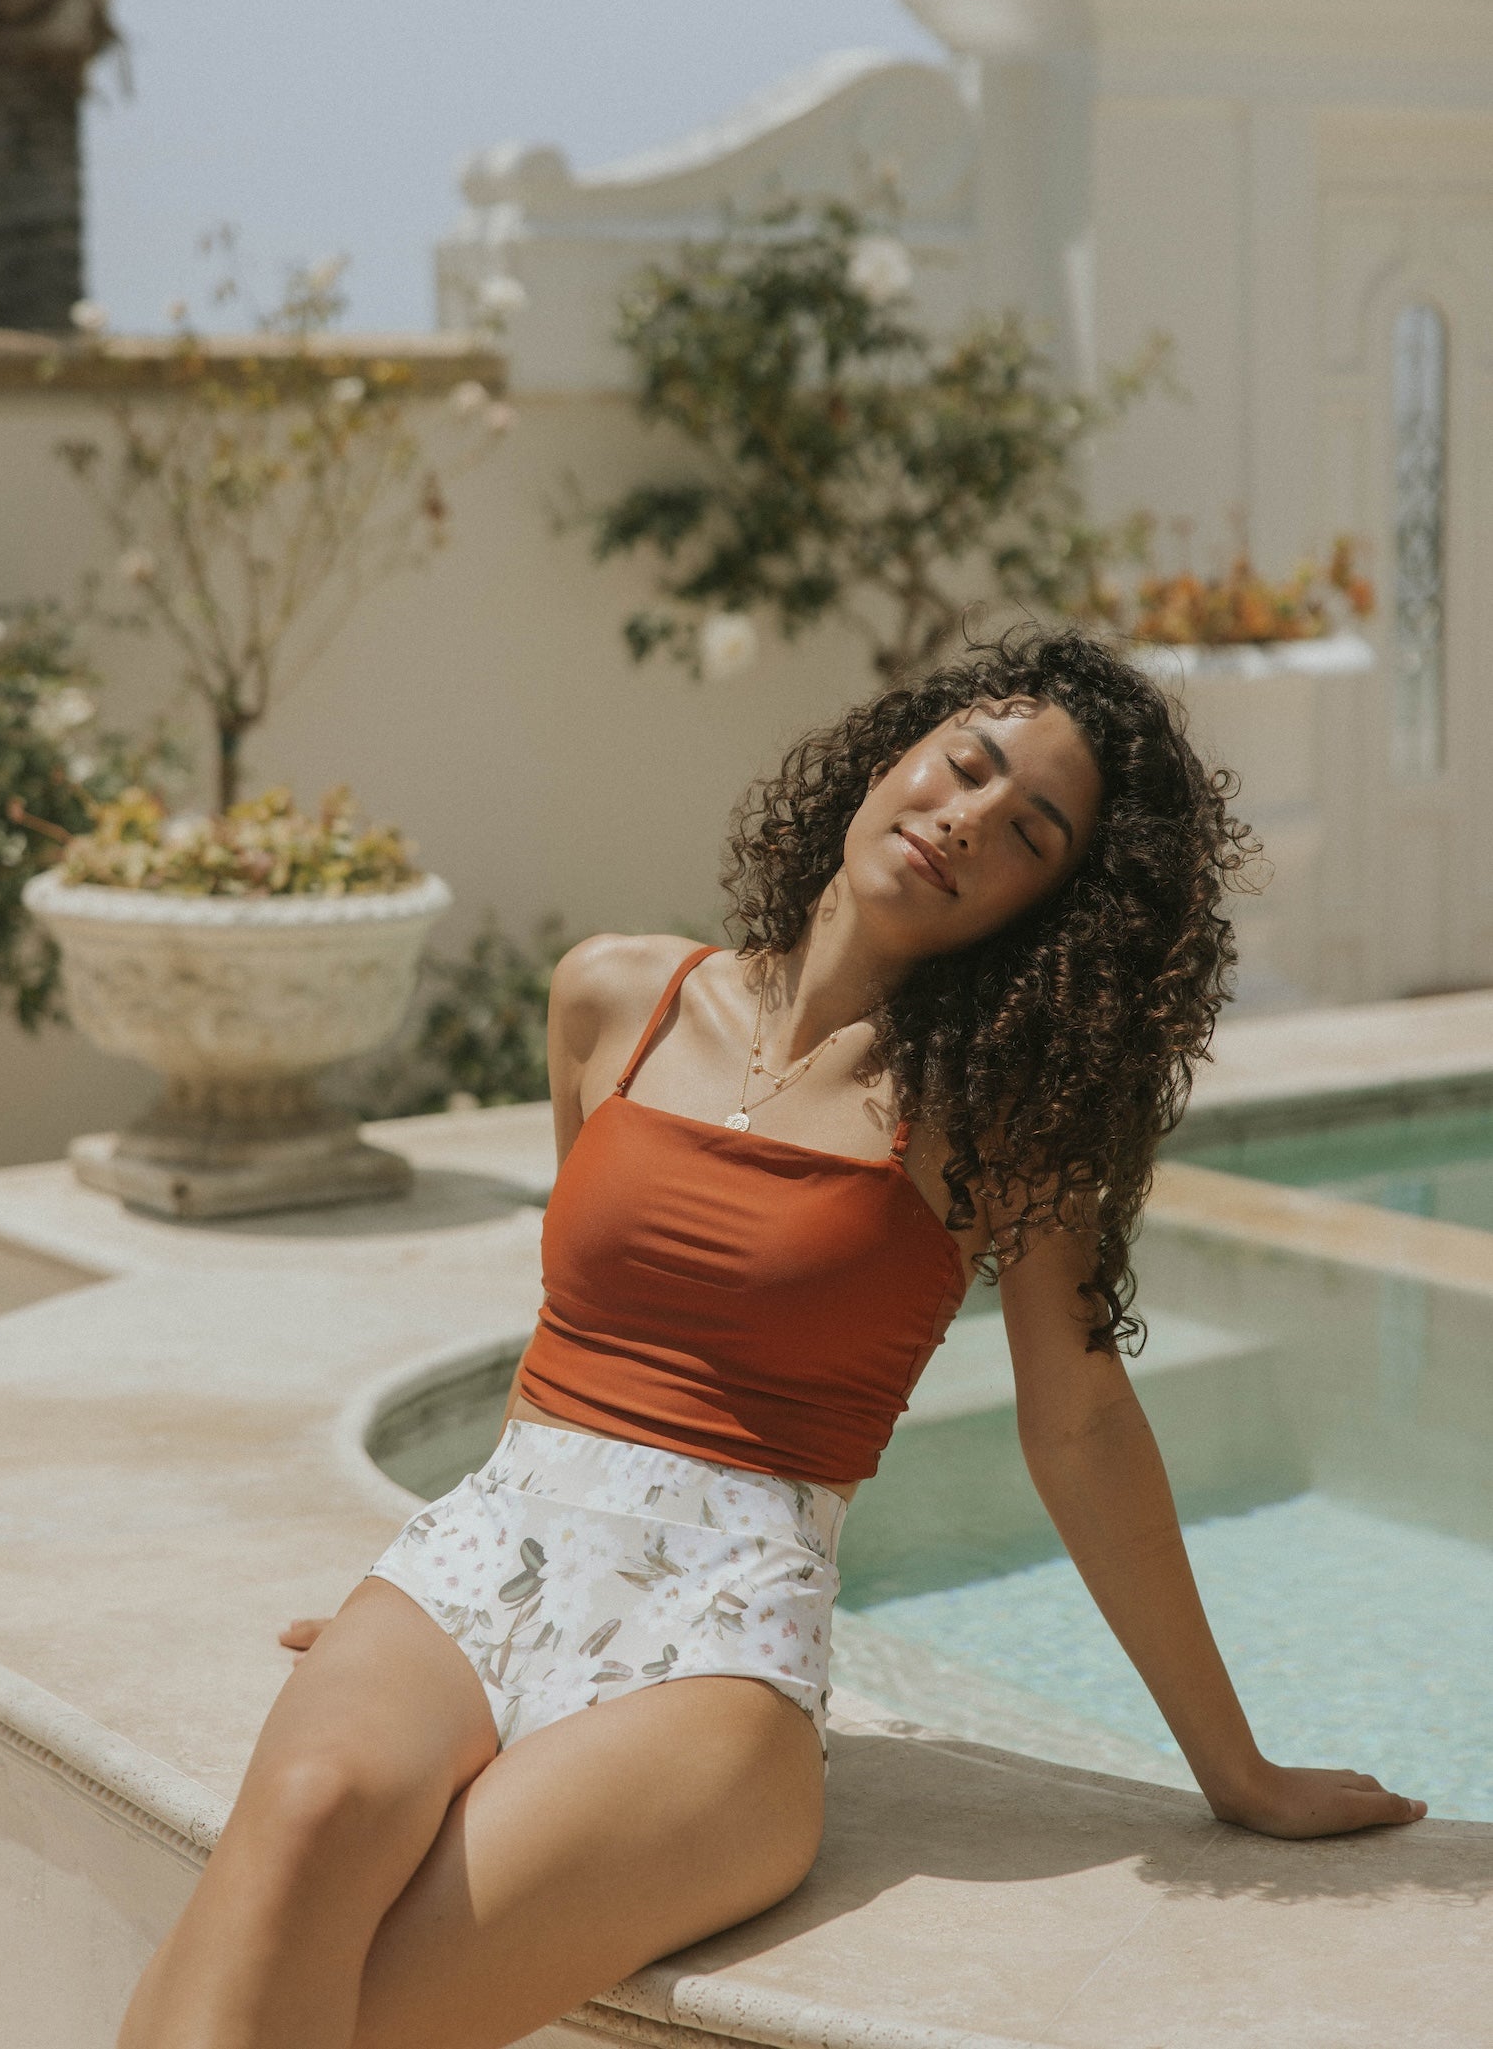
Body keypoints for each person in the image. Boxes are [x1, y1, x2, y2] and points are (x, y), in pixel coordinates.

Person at [118, 628, 1426, 2049]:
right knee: (310, 1815)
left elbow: (1081, 1425)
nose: (968, 815)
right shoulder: (615, 994)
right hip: (486, 1558)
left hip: (719, 1641)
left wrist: (1236, 1768)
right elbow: (581, 1328)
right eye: (967, 762)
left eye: (1029, 829)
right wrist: (418, 1588)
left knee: (347, 2012)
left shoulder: (998, 1120)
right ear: (896, 751)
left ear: (1051, 908)